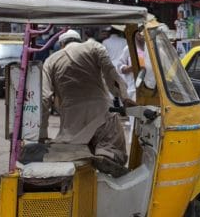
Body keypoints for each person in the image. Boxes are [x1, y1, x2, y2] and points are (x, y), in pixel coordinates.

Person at [39, 29, 135, 177]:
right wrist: (124, 97)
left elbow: (45, 97)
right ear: (79, 39)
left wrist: (42, 133)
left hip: (72, 120)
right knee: (112, 145)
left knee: (72, 152)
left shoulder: (51, 60)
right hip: (101, 113)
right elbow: (111, 75)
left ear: (62, 44)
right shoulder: (94, 47)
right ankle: (107, 154)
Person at [118, 31, 145, 101]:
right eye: (138, 31)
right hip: (133, 88)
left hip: (150, 88)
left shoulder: (151, 49)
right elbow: (120, 67)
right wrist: (131, 68)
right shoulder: (129, 48)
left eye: (142, 31)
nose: (140, 33)